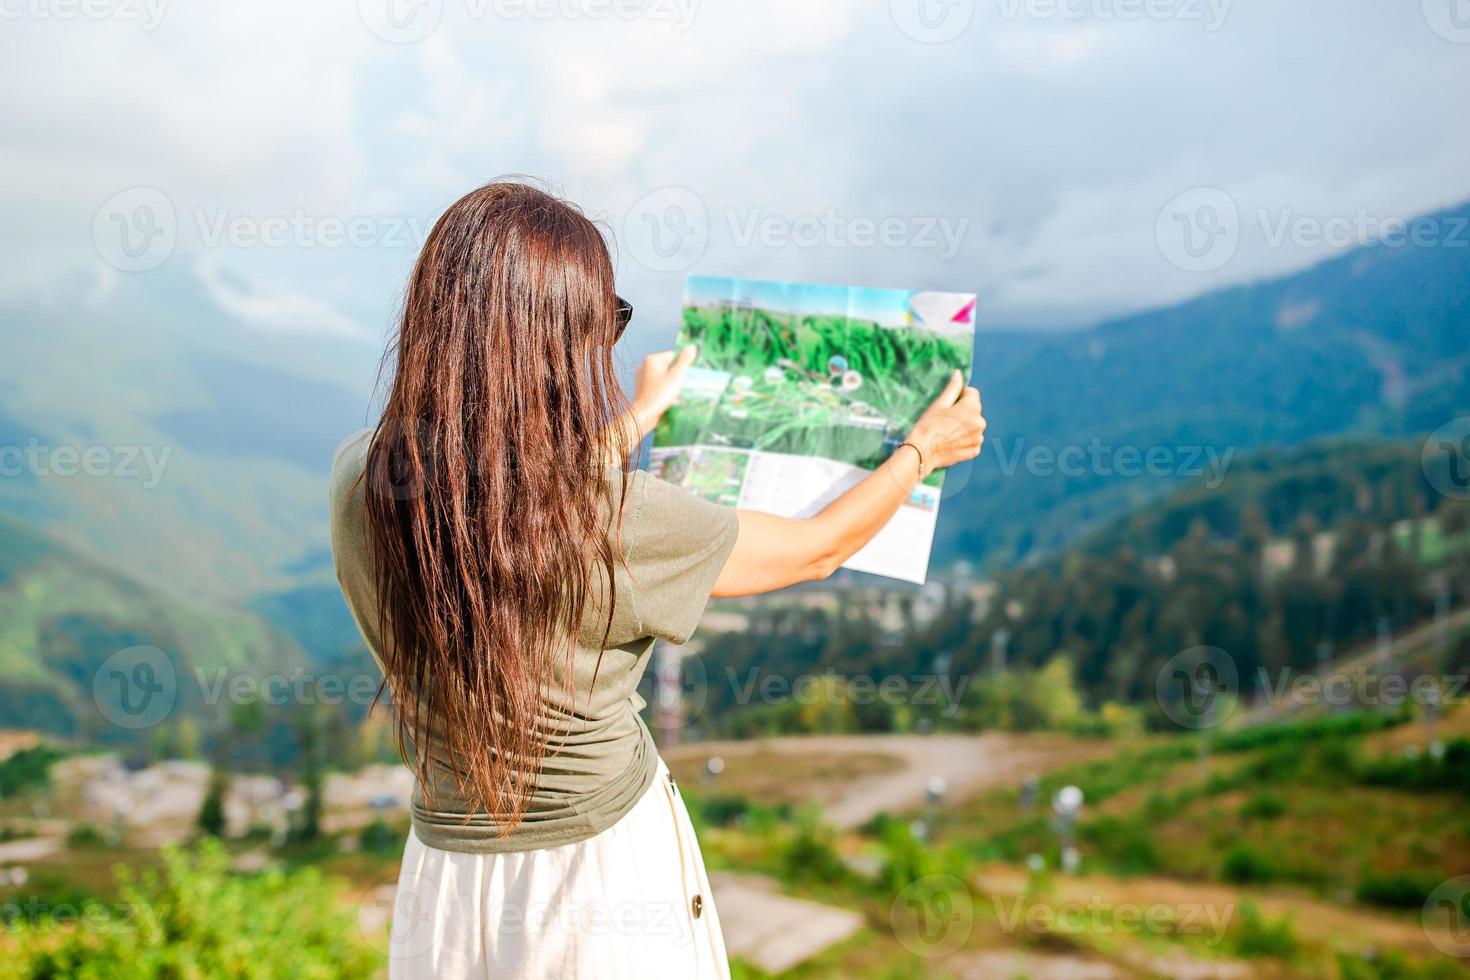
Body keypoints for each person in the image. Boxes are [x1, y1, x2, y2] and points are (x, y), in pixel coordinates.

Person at [329, 180, 986, 979]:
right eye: (604, 322)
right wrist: (924, 450)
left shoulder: (364, 479)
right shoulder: (621, 521)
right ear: (556, 345)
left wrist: (635, 422)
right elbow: (816, 548)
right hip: (595, 886)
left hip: (445, 880)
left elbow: (508, 512)